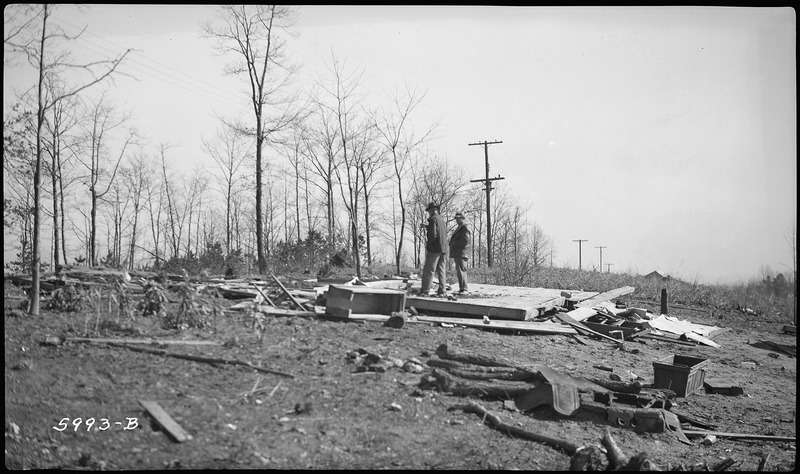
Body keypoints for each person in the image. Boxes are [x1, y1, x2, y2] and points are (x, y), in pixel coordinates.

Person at [420, 202, 447, 297]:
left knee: (429, 269)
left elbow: (433, 235)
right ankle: (442, 290)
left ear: (432, 210)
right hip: (443, 248)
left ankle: (425, 290)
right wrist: (427, 227)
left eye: (429, 211)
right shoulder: (441, 219)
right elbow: (438, 231)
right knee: (441, 270)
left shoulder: (432, 219)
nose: (429, 213)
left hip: (435, 249)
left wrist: (429, 245)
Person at [448, 212, 471, 293]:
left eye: (458, 218)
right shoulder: (461, 227)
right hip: (459, 252)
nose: (456, 220)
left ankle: (464, 289)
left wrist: (455, 244)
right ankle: (462, 288)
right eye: (456, 218)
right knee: (459, 270)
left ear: (462, 218)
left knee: (461, 270)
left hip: (462, 252)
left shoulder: (464, 227)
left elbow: (465, 240)